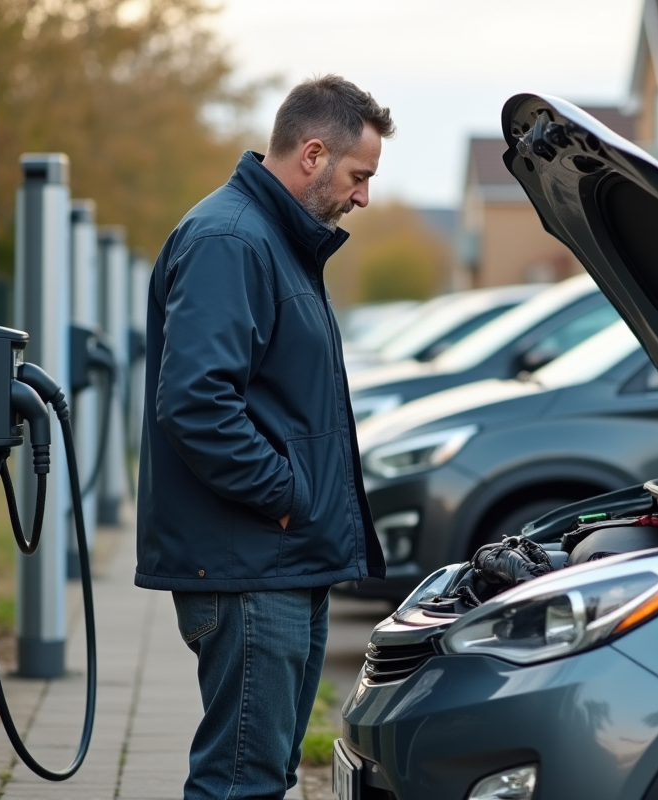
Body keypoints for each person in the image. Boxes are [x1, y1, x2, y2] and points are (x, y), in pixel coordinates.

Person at [135, 75, 393, 800]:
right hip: (251, 560)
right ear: (313, 154)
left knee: (265, 773)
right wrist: (283, 495)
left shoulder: (274, 240)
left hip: (281, 557)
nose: (364, 197)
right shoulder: (233, 240)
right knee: (241, 781)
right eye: (359, 175)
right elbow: (195, 404)